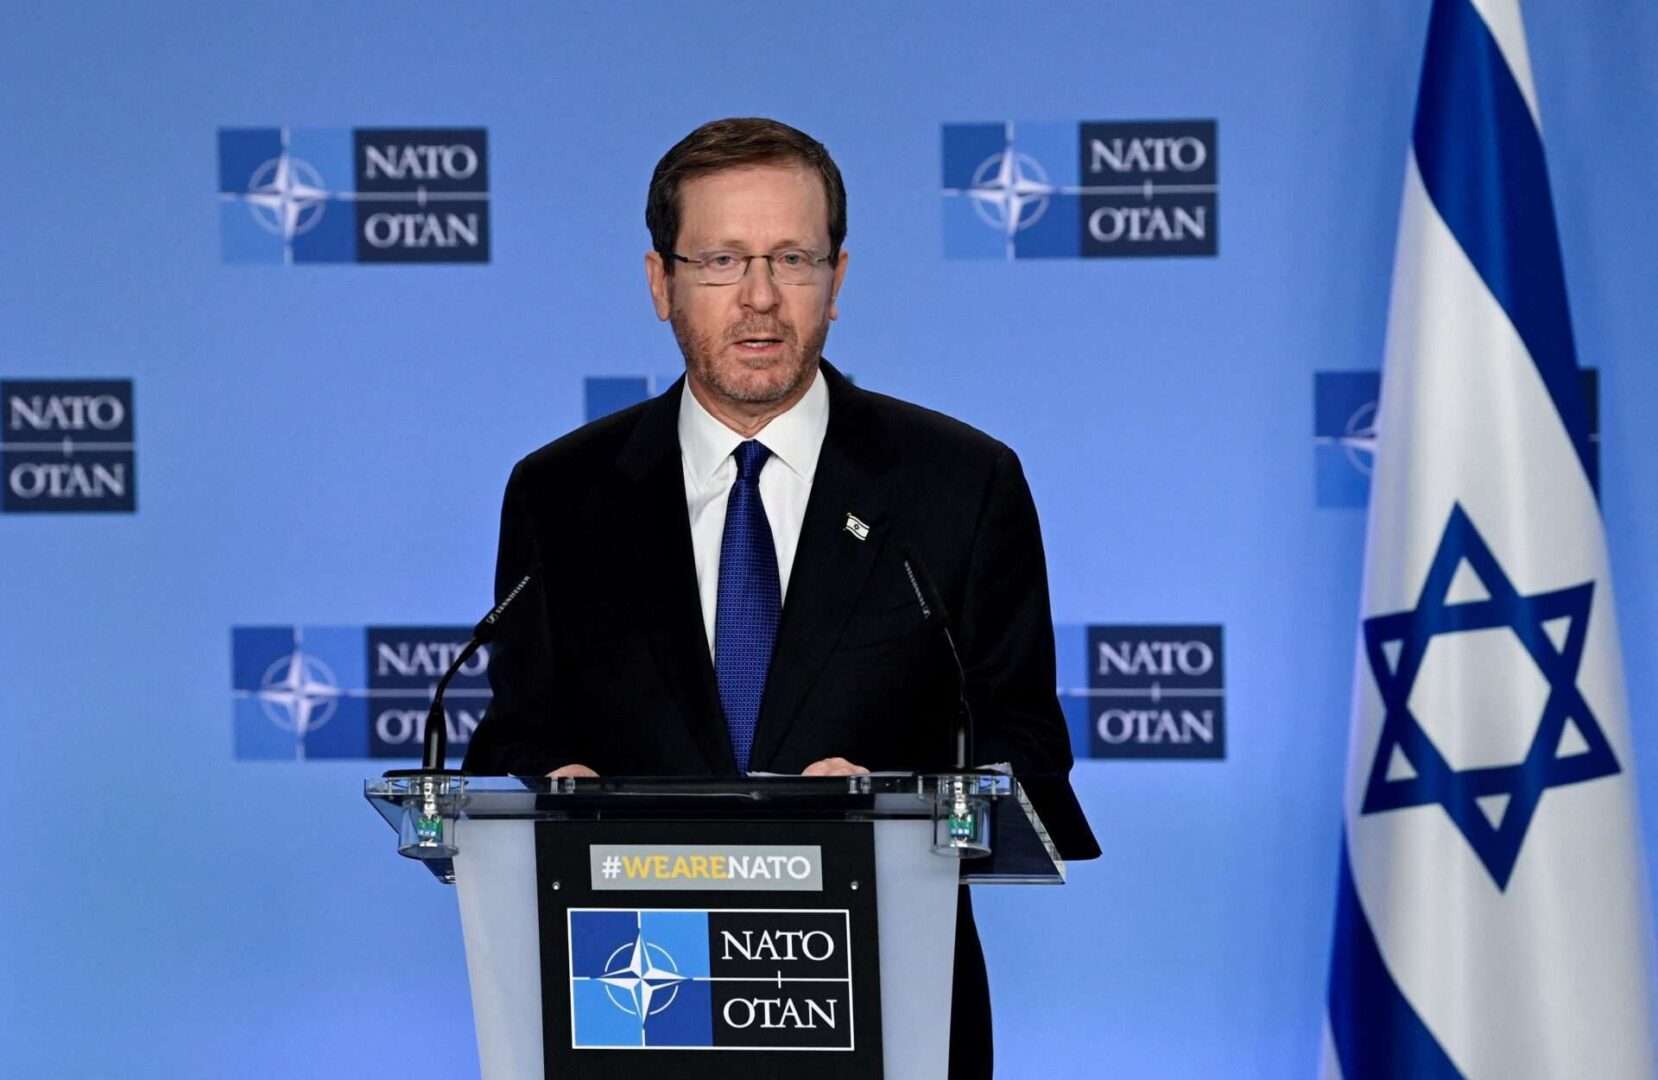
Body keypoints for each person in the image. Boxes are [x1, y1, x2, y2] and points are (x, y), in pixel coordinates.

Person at [464, 116, 1099, 1079]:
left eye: (792, 258)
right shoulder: (562, 495)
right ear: (660, 283)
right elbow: (516, 731)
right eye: (721, 260)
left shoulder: (958, 486)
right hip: (637, 1001)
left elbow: (1030, 761)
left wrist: (890, 804)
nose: (760, 299)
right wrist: (560, 784)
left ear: (836, 282)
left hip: (881, 1012)